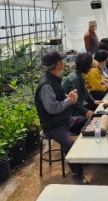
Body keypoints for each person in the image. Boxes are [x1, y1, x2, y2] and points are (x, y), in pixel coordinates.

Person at [35, 50, 89, 184]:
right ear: (57, 64)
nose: (64, 62)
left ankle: (84, 157)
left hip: (64, 120)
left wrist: (68, 96)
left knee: (89, 122)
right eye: (61, 61)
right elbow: (52, 108)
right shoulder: (46, 85)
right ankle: (77, 175)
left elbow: (58, 98)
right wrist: (69, 100)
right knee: (69, 143)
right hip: (53, 126)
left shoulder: (54, 78)